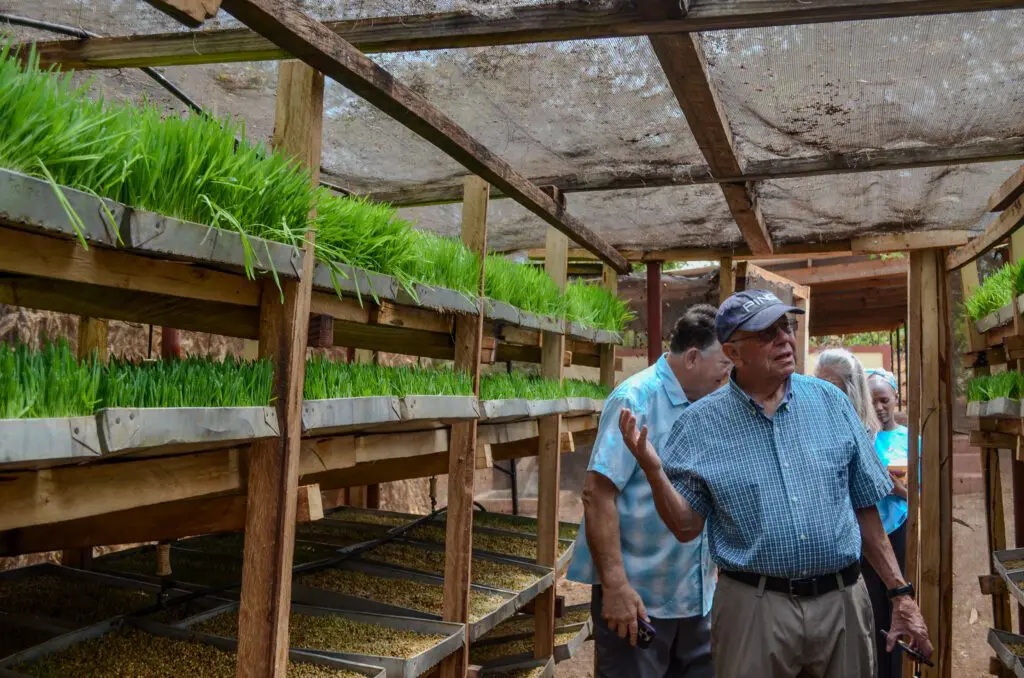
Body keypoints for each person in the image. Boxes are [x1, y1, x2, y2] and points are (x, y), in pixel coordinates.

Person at [618, 290, 932, 678]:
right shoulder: (699, 424)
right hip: (754, 609)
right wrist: (653, 470)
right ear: (733, 353)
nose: (784, 339)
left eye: (787, 326)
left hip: (842, 603)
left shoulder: (830, 402)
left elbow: (865, 506)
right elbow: (686, 527)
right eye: (767, 333)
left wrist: (900, 595)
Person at [567, 304, 732, 678]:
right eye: (724, 364)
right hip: (639, 600)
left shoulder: (708, 404)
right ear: (692, 357)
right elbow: (597, 494)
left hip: (696, 598)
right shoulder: (635, 399)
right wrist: (616, 586)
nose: (728, 374)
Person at [816, 351, 908, 678]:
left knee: (883, 613)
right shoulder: (826, 431)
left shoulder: (880, 437)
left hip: (890, 530)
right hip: (846, 544)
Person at [865, 367, 911, 678]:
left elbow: (922, 495)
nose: (879, 408)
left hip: (900, 532)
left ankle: (899, 670)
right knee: (871, 611)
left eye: (884, 399)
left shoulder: (910, 440)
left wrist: (895, 487)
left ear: (896, 398)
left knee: (901, 605)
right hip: (866, 538)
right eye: (872, 401)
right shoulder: (861, 438)